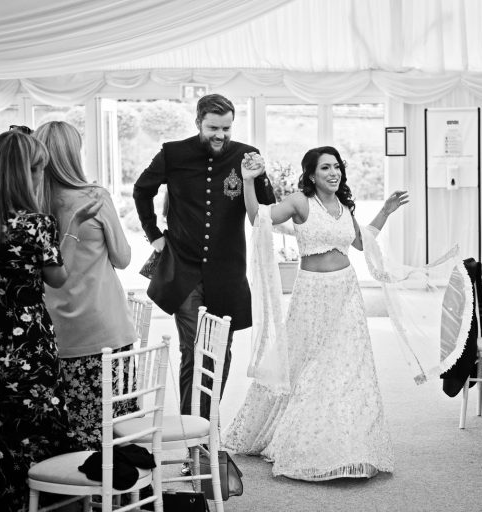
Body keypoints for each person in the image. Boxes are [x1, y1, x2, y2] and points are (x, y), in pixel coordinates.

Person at [0, 131, 102, 510]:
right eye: (38, 171)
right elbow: (57, 279)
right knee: (28, 430)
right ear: (26, 174)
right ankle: (33, 501)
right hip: (24, 344)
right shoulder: (37, 224)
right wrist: (72, 231)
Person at [223, 146, 408, 481]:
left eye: (337, 167)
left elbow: (362, 243)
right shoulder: (299, 201)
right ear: (311, 174)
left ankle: (348, 447)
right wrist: (249, 182)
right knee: (305, 364)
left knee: (344, 369)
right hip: (311, 295)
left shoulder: (343, 205)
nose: (334, 173)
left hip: (346, 293)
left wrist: (386, 210)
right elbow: (258, 219)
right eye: (326, 168)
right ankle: (298, 441)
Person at [133, 93, 275, 419]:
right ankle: (193, 440)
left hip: (227, 272)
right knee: (195, 352)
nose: (220, 135)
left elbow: (264, 211)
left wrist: (258, 177)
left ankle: (205, 430)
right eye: (213, 127)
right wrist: (154, 234)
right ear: (198, 122)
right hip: (182, 270)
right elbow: (142, 190)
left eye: (226, 128)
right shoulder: (173, 153)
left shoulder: (245, 155)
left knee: (219, 353)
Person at [34, 120, 137, 450]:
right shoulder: (94, 197)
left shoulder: (29, 205)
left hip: (51, 334)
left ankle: (67, 495)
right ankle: (112, 495)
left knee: (63, 431)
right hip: (103, 329)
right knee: (113, 430)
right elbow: (122, 258)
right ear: (74, 154)